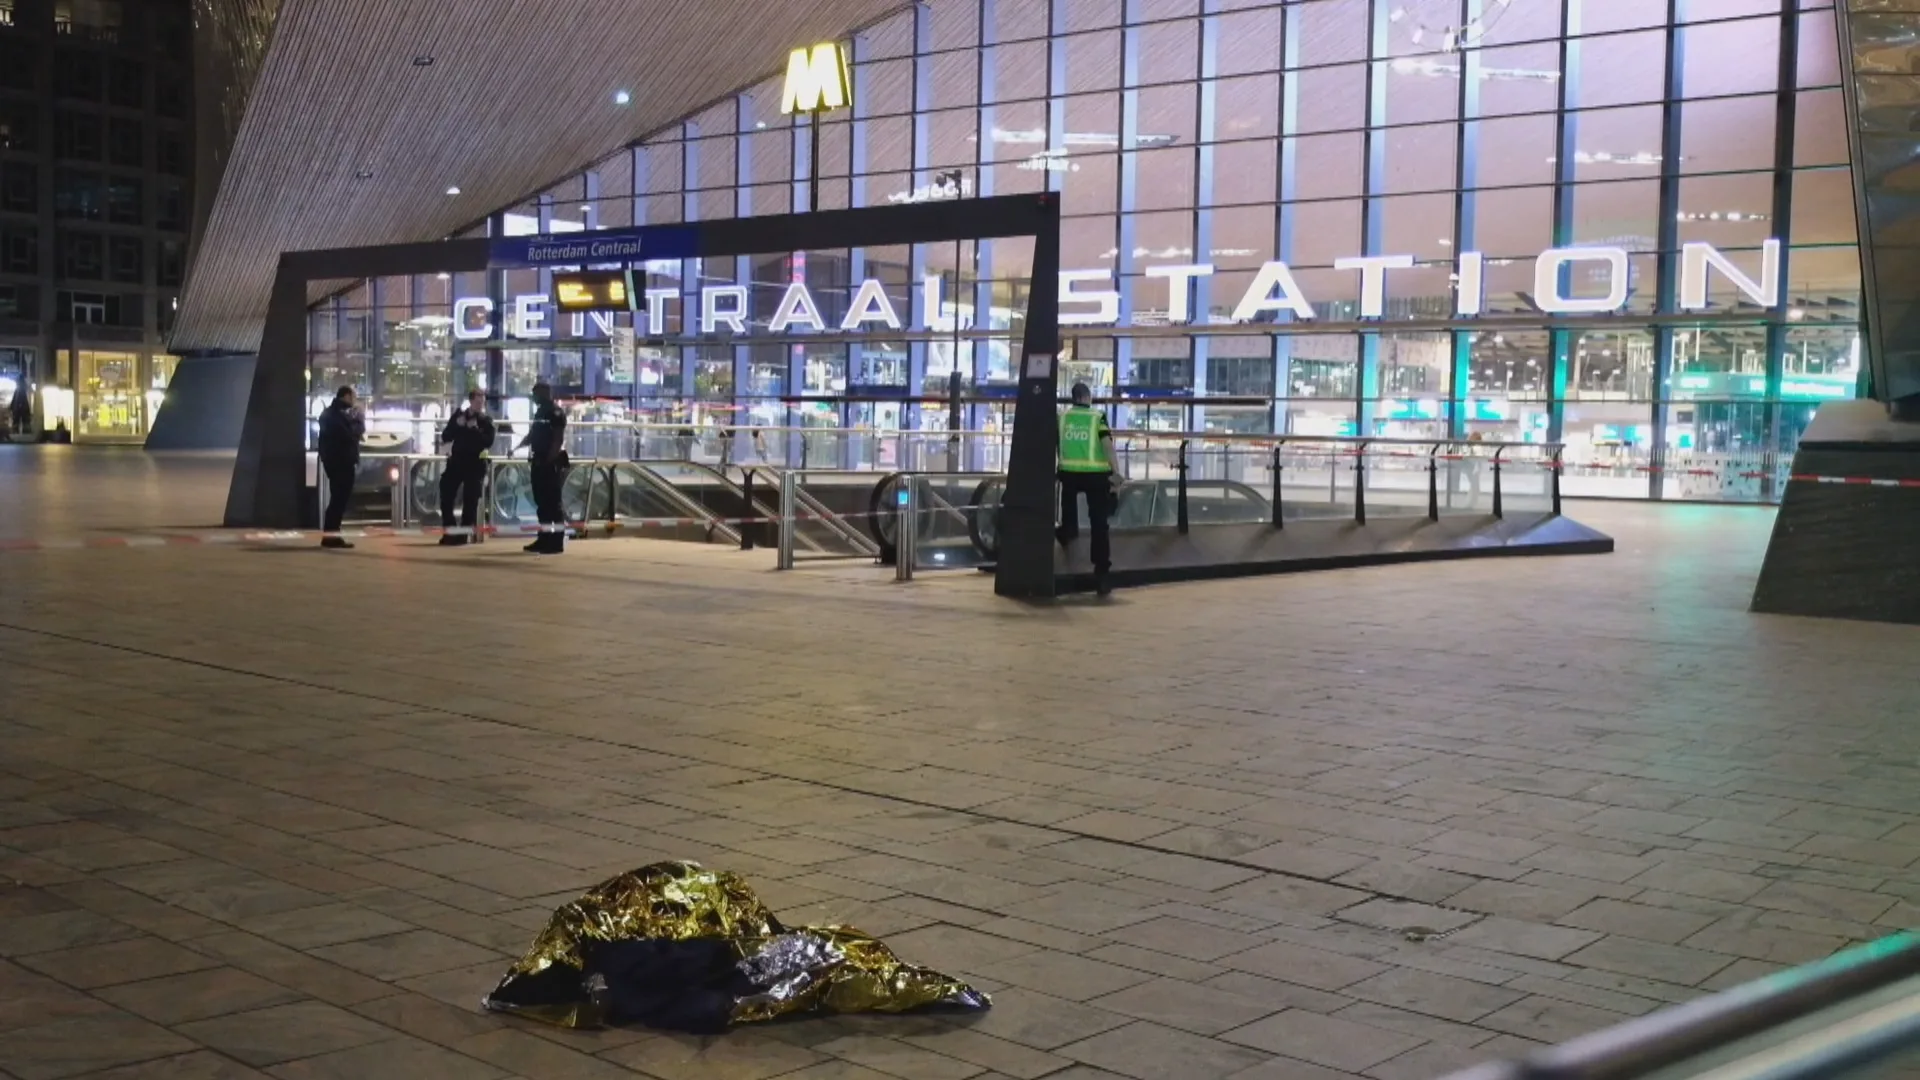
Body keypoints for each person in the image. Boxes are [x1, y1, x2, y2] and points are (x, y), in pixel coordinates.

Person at [1055, 381, 1122, 596]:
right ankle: (1101, 573)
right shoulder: (1097, 417)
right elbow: (1106, 445)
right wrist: (1116, 472)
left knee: (1067, 504)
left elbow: (1056, 443)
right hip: (1095, 475)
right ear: (1086, 397)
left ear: (1074, 398)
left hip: (1068, 474)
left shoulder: (1062, 417)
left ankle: (1067, 532)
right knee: (1099, 524)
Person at [437, 389, 496, 546]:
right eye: (477, 401)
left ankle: (463, 534)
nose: (480, 405)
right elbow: (446, 435)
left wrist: (475, 429)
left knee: (470, 501)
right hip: (457, 462)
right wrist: (457, 425)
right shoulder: (459, 416)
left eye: (482, 402)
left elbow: (488, 441)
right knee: (446, 493)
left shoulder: (485, 421)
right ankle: (450, 531)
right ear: (471, 401)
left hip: (475, 464)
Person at [517, 381, 569, 554]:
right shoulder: (540, 412)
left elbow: (557, 439)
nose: (533, 397)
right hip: (539, 461)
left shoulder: (555, 412)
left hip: (550, 464)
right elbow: (533, 434)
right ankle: (544, 538)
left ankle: (557, 541)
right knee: (542, 503)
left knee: (553, 503)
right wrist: (518, 447)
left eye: (536, 394)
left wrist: (549, 461)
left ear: (544, 393)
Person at [316, 386, 364, 549]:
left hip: (336, 461)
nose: (355, 400)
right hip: (341, 462)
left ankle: (332, 534)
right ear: (346, 396)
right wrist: (359, 423)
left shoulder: (332, 414)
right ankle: (331, 535)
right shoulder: (336, 415)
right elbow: (349, 436)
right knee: (339, 499)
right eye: (353, 397)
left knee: (338, 499)